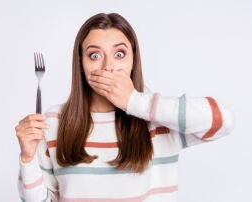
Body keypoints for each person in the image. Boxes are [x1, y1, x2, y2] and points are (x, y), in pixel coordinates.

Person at [15, 13, 234, 202]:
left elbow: (222, 120)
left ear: (133, 60)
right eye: (94, 55)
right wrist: (27, 158)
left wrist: (135, 102)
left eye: (119, 54)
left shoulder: (159, 117)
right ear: (81, 64)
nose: (108, 66)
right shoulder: (53, 122)